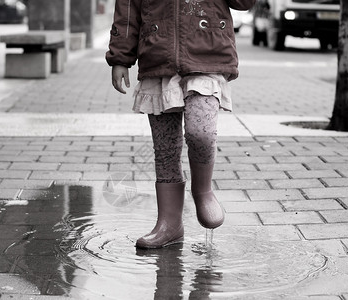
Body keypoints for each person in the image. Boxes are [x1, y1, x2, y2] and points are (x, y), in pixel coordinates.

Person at [106, 0, 256, 249]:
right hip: (157, 55)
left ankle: (203, 191)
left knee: (201, 132)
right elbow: (127, 9)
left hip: (207, 53)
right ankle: (169, 223)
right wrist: (120, 57)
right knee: (165, 151)